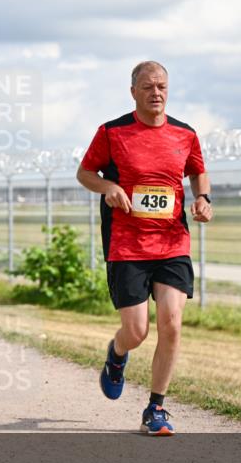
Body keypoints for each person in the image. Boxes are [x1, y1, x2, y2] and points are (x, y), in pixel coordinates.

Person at [76, 61, 212, 436]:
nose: (156, 93)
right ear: (133, 91)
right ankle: (117, 354)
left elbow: (198, 170)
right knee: (136, 331)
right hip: (127, 245)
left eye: (162, 86)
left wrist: (203, 198)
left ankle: (156, 408)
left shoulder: (185, 134)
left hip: (172, 242)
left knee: (172, 323)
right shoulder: (112, 132)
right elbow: (85, 173)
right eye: (148, 86)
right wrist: (109, 188)